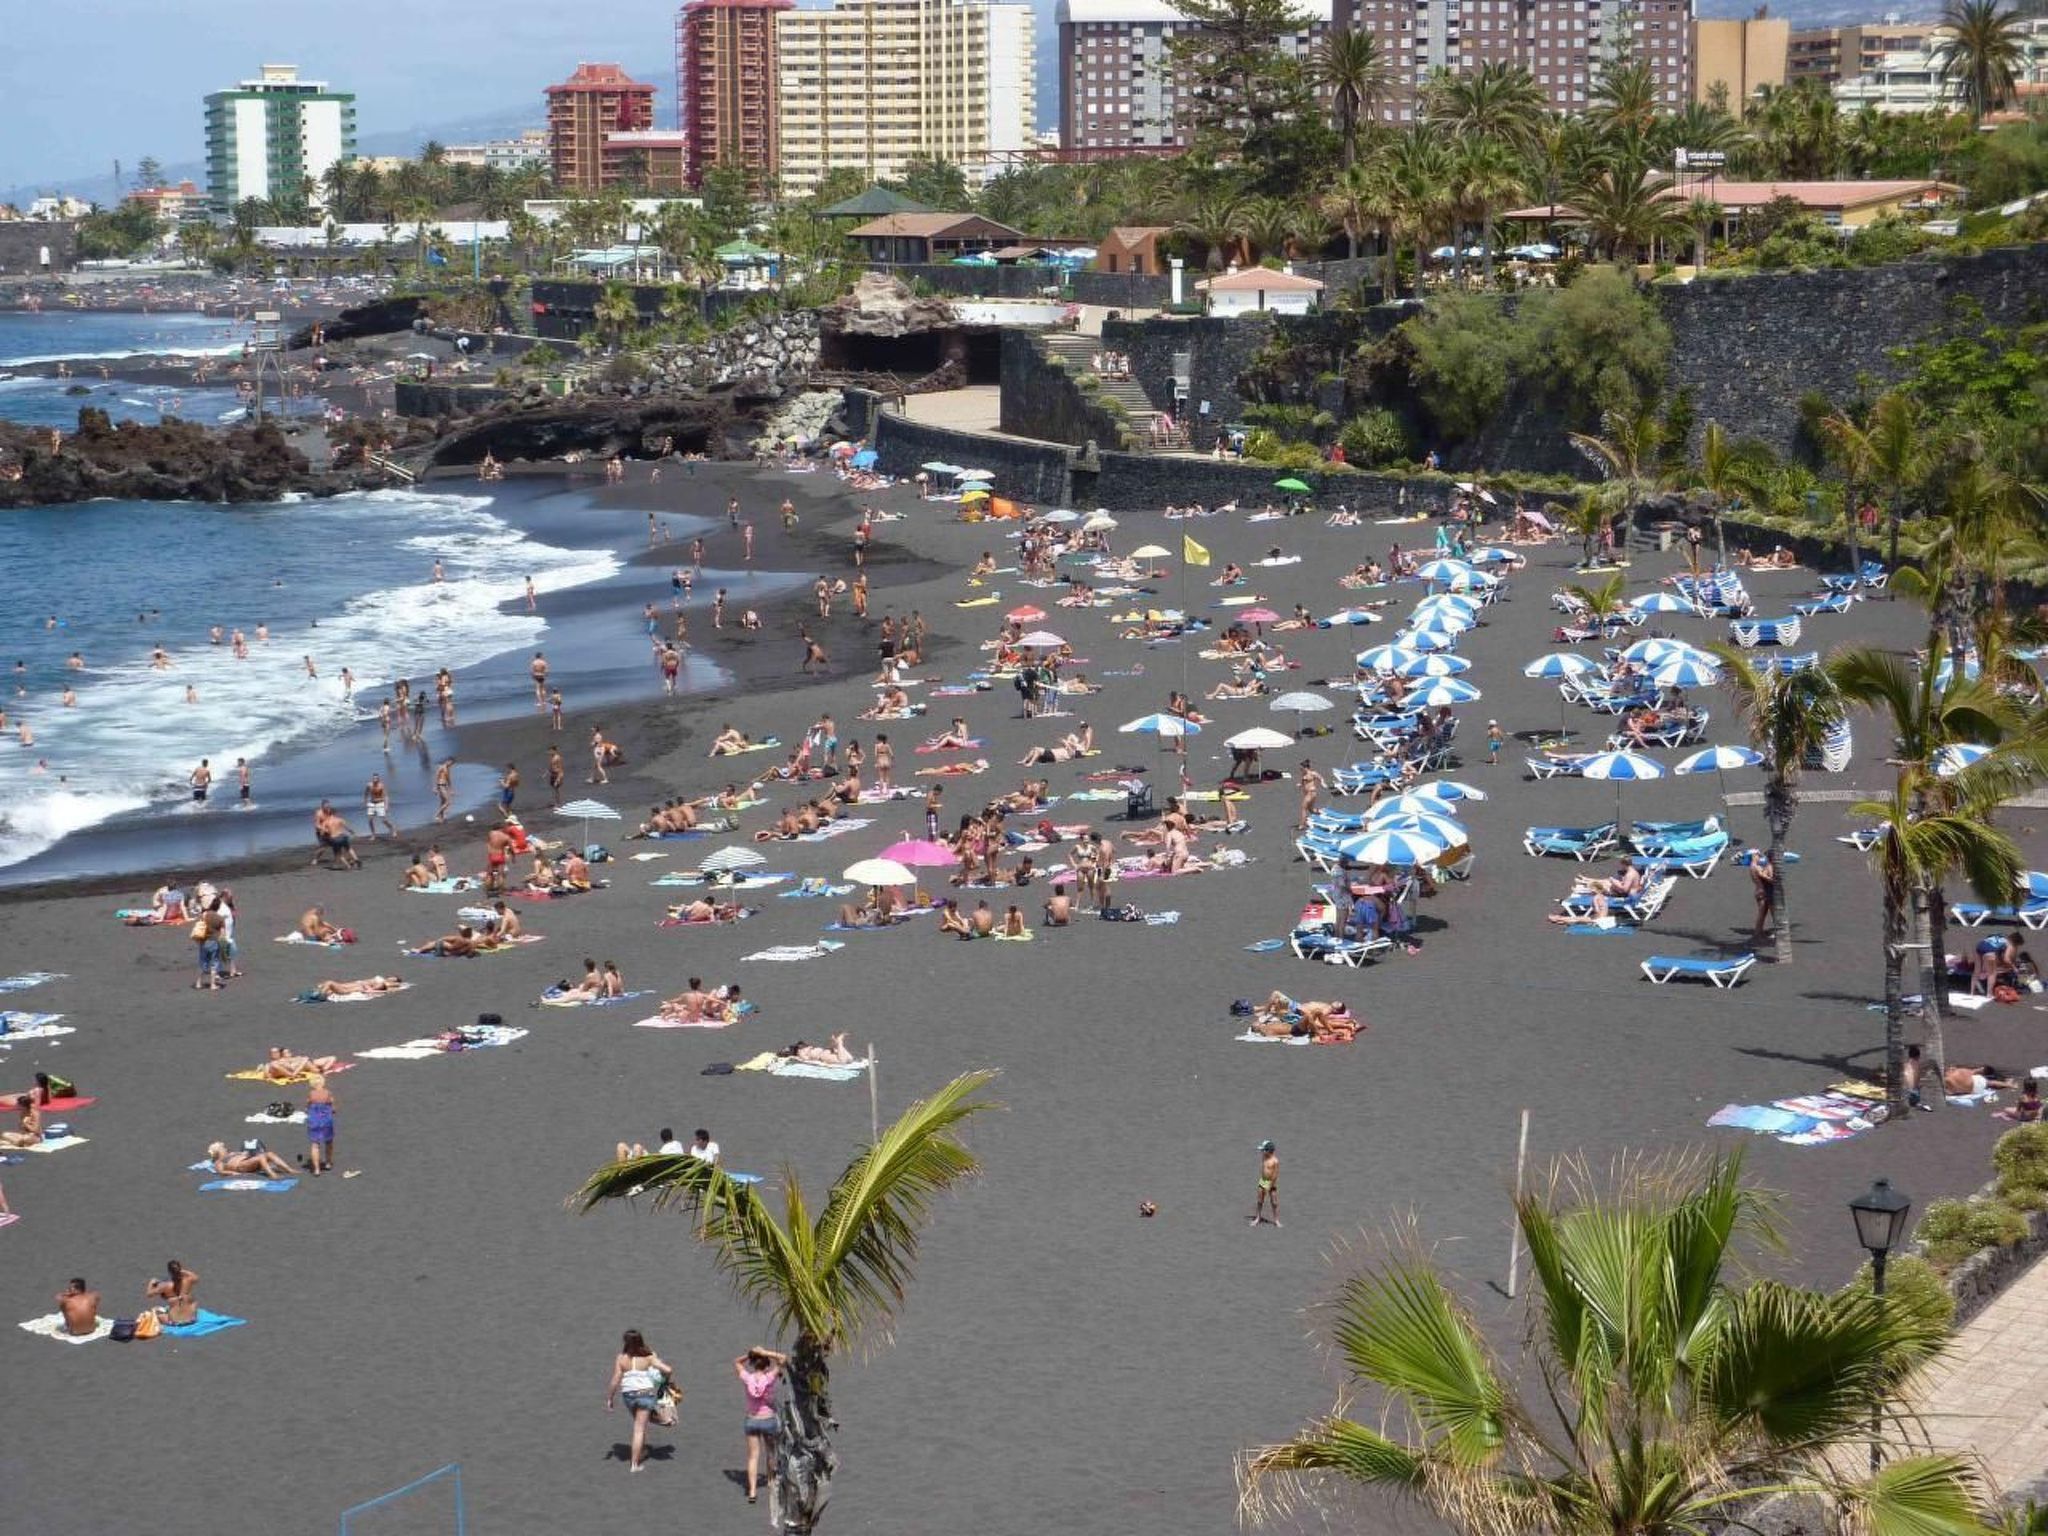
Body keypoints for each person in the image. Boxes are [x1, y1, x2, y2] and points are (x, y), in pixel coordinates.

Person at [606, 1329, 676, 1472]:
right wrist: (665, 1381)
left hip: (628, 1396)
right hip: (645, 1395)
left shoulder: (621, 1358)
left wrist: (610, 1398)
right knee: (639, 1429)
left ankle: (642, 1451)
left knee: (640, 1424)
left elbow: (615, 1379)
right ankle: (634, 1464)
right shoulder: (648, 1357)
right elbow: (668, 1370)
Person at [736, 1347, 788, 1503]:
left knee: (753, 1457)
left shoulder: (747, 1378)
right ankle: (771, 1481)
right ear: (766, 1365)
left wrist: (750, 1354)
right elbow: (783, 1358)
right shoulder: (770, 1377)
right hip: (768, 1420)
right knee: (771, 1453)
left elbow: (737, 1362)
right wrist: (765, 1352)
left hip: (752, 1420)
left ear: (753, 1364)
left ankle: (752, 1491)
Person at [144, 1259, 199, 1326]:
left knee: (156, 1312)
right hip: (192, 1320)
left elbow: (149, 1294)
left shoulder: (165, 1286)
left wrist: (151, 1283)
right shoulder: (188, 1280)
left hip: (175, 1322)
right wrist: (181, 1270)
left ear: (169, 1272)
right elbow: (195, 1277)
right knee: (191, 1302)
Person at [206, 1140, 296, 1178]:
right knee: (261, 1157)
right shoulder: (219, 1161)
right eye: (223, 1148)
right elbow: (221, 1171)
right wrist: (233, 1173)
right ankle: (272, 1175)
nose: (226, 1149)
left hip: (248, 1161)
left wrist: (243, 1154)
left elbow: (243, 1153)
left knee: (269, 1154)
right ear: (218, 1152)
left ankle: (289, 1169)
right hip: (241, 1166)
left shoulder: (231, 1153)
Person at [305, 1073, 336, 1176]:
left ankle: (317, 1169)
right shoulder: (328, 1093)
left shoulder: (311, 1094)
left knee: (315, 1145)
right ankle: (328, 1163)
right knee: (329, 1142)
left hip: (314, 1121)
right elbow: (333, 1107)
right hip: (326, 1120)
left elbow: (307, 1106)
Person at [1748, 849, 1776, 942]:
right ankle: (1758, 933)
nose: (1759, 857)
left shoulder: (1753, 866)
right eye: (1758, 855)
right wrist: (1771, 879)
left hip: (1759, 890)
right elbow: (1763, 876)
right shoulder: (1756, 867)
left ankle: (1759, 932)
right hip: (1761, 892)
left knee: (1763, 913)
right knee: (1762, 913)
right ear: (1753, 856)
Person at [1251, 1140, 1280, 1228]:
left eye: (1264, 1150)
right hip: (1263, 1181)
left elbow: (1275, 1175)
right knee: (1260, 1201)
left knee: (1274, 1202)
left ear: (1269, 1151)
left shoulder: (1275, 1161)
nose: (1262, 1152)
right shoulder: (1264, 1156)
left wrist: (1270, 1185)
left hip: (1271, 1182)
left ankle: (1276, 1220)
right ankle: (1258, 1218)